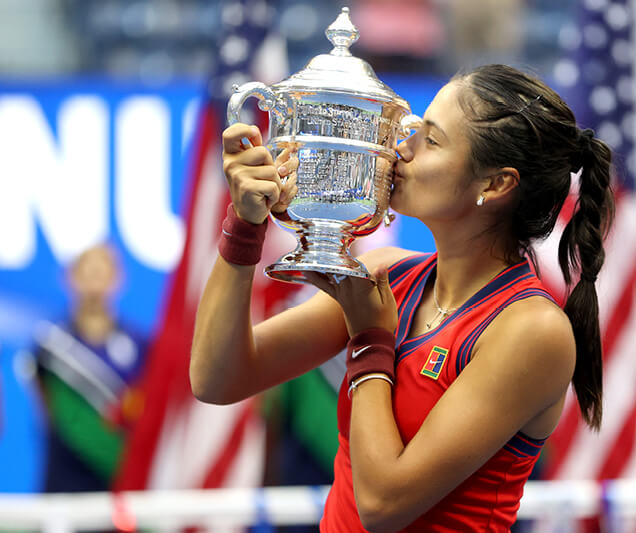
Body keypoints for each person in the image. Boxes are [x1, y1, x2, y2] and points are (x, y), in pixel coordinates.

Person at [191, 64, 614, 531]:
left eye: (429, 141)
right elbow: (217, 379)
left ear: (495, 185)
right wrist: (245, 226)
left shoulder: (531, 330)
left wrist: (372, 341)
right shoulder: (386, 275)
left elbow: (382, 505)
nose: (401, 150)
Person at [33, 244, 147, 492]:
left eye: (102, 271)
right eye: (87, 272)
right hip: (63, 480)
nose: (95, 280)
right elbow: (46, 410)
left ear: (118, 278)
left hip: (117, 480)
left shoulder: (140, 345)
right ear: (71, 278)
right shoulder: (49, 347)